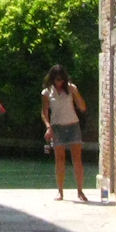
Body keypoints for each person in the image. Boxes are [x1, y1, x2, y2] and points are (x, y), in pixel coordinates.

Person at [41, 64, 88, 202]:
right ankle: (60, 191)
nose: (59, 82)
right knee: (59, 159)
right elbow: (44, 112)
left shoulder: (71, 88)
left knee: (77, 159)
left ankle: (80, 191)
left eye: (61, 79)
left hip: (73, 125)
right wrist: (48, 127)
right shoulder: (47, 92)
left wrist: (75, 92)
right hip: (57, 127)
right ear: (52, 79)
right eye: (57, 80)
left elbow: (82, 107)